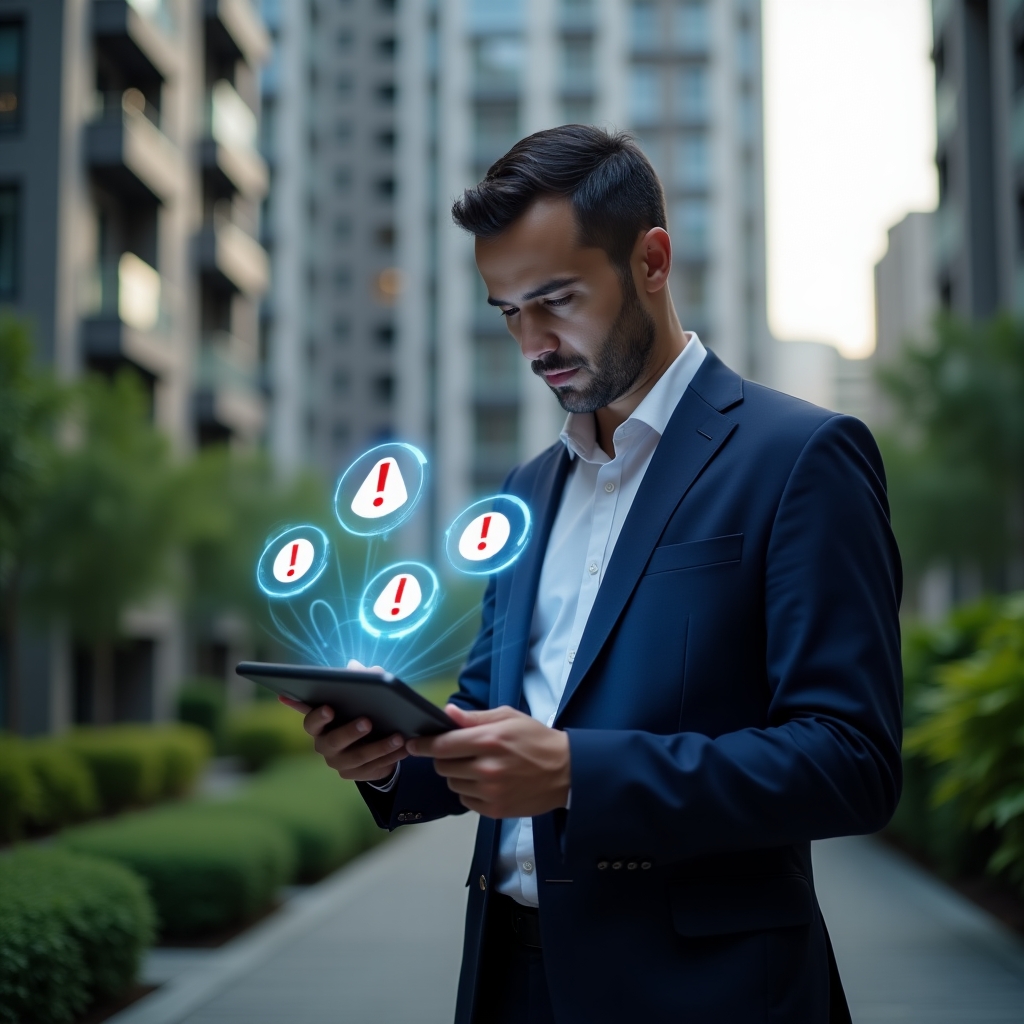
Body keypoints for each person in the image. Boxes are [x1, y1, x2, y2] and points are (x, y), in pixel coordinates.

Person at [286, 125, 903, 1023]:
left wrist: (580, 772)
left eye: (557, 300)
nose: (533, 342)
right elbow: (491, 716)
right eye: (507, 312)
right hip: (510, 982)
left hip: (707, 995)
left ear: (651, 259)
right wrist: (387, 758)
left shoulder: (801, 455)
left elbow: (852, 761)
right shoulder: (526, 490)